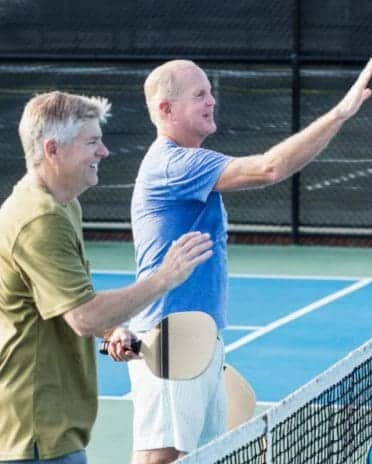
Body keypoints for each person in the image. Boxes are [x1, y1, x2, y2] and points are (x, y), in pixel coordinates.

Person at [113, 56, 372, 463]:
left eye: (210, 92)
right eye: (199, 94)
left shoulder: (189, 163)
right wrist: (341, 113)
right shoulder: (174, 162)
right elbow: (270, 168)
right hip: (172, 340)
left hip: (197, 337)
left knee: (207, 455)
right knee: (159, 458)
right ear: (166, 110)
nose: (211, 101)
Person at [0, 91, 213, 463]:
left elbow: (67, 300)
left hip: (51, 427)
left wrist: (111, 331)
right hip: (35, 432)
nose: (104, 152)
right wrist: (165, 277)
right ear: (53, 150)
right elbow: (84, 317)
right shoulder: (40, 220)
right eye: (92, 143)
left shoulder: (64, 205)